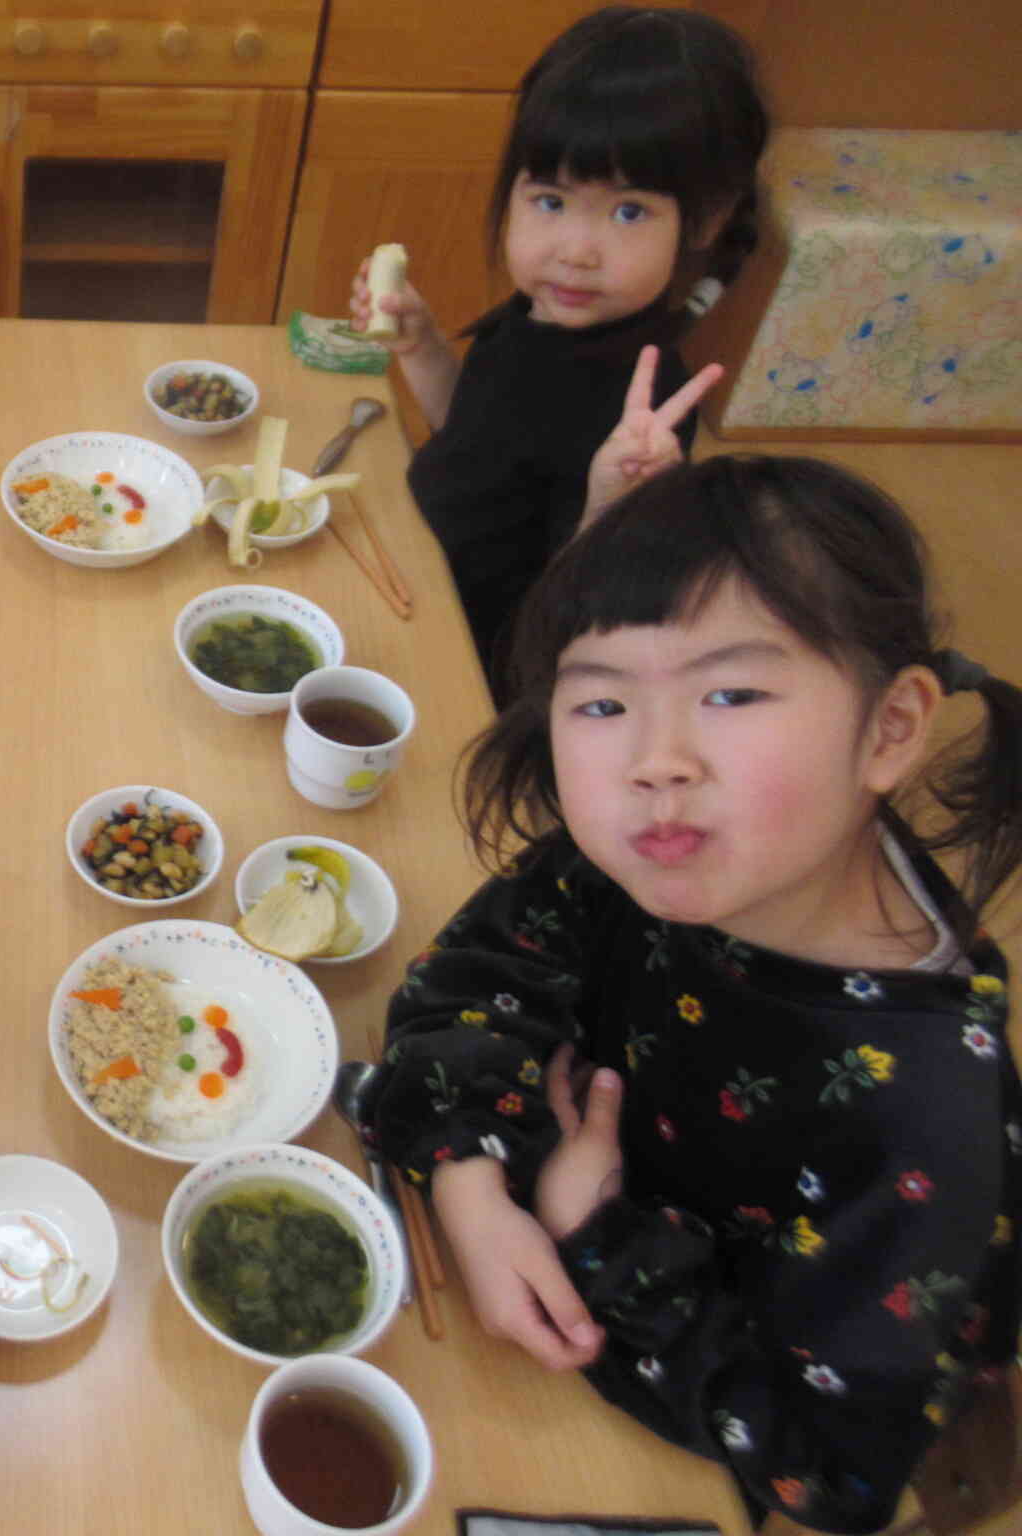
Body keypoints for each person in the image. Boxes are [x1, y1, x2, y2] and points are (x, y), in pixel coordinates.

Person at [367, 455, 1021, 1532]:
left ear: (890, 728)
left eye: (729, 693)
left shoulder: (929, 1121)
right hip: (512, 1286)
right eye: (601, 701)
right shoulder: (662, 852)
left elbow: (828, 1467)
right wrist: (466, 1180)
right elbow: (473, 976)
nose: (653, 759)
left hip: (651, 1416)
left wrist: (596, 1230)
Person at [353, 5, 769, 696]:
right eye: (550, 200)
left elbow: (591, 610)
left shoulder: (648, 404)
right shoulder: (532, 316)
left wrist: (612, 504)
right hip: (415, 583)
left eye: (629, 211)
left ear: (706, 220)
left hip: (483, 666)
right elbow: (479, 433)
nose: (575, 253)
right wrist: (421, 346)